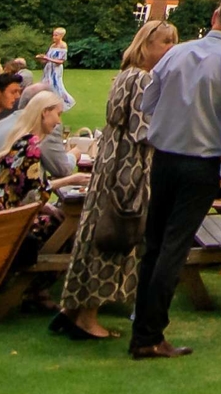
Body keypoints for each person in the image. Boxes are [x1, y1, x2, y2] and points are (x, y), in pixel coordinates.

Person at [128, 0, 221, 361]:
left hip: (165, 157)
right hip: (200, 161)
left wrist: (175, 114)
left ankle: (144, 331)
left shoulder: (176, 52)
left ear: (215, 16)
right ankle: (150, 335)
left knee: (154, 245)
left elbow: (147, 101)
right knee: (173, 247)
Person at [52, 18, 174, 343]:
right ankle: (88, 318)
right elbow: (143, 130)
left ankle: (72, 308)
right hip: (128, 167)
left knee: (93, 231)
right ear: (146, 44)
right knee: (115, 235)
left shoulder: (124, 75)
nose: (170, 50)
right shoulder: (144, 80)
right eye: (166, 43)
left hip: (108, 161)